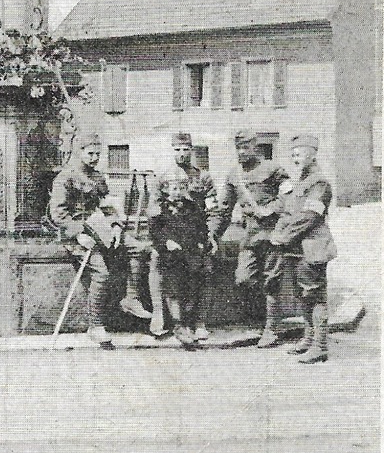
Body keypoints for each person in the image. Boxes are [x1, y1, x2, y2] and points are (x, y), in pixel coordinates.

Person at [49, 133, 151, 347]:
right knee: (102, 272)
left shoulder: (98, 177)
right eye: (90, 153)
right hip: (77, 234)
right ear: (79, 152)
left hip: (100, 228)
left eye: (98, 153)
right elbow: (58, 214)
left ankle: (131, 298)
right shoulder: (65, 178)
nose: (95, 158)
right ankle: (96, 326)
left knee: (139, 249)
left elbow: (107, 206)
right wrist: (79, 234)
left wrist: (114, 226)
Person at [217, 131, 290, 347]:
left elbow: (289, 198)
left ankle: (271, 328)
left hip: (273, 233)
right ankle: (262, 319)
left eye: (245, 147)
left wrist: (269, 210)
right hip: (250, 236)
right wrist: (213, 235)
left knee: (271, 281)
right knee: (244, 277)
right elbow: (223, 210)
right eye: (238, 148)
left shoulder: (273, 169)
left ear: (255, 147)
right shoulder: (234, 175)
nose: (241, 152)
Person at [270, 135, 337, 364]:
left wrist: (284, 237)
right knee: (303, 295)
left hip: (312, 247)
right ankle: (308, 339)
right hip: (295, 249)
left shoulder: (319, 183)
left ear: (312, 154)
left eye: (299, 154)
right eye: (293, 155)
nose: (294, 158)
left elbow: (310, 216)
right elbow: (285, 212)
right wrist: (277, 233)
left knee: (315, 295)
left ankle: (320, 345)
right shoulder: (297, 183)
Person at [150, 132, 221, 342]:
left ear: (192, 150)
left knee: (206, 266)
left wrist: (212, 236)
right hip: (169, 235)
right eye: (177, 149)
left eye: (185, 149)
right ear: (172, 150)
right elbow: (154, 211)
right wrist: (162, 241)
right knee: (156, 258)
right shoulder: (162, 177)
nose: (181, 154)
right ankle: (159, 314)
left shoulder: (203, 178)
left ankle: (199, 321)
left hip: (195, 235)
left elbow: (213, 211)